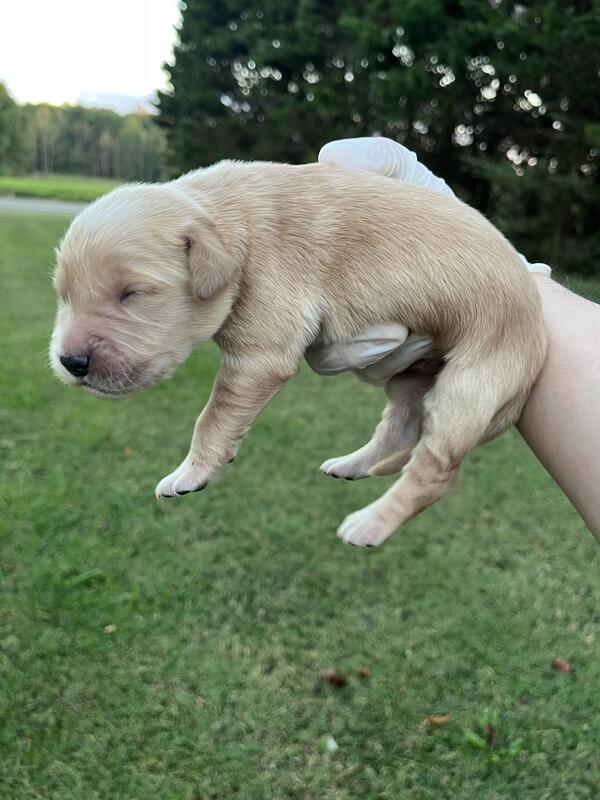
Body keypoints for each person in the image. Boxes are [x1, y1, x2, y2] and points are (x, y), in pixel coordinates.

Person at [308, 137, 600, 542]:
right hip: (455, 314)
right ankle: (387, 444)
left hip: (488, 328)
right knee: (408, 387)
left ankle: (412, 490)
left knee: (455, 400)